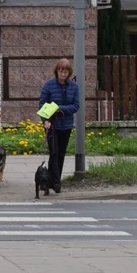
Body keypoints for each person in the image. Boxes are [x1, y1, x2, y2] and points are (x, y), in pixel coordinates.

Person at [38, 58, 81, 194]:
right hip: (52, 125)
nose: (63, 74)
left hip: (66, 125)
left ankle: (53, 181)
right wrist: (45, 120)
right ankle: (55, 182)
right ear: (57, 71)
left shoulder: (74, 87)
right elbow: (42, 105)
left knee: (61, 154)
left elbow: (76, 106)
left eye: (66, 71)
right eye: (61, 71)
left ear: (69, 73)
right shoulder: (48, 85)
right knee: (53, 153)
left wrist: (59, 108)